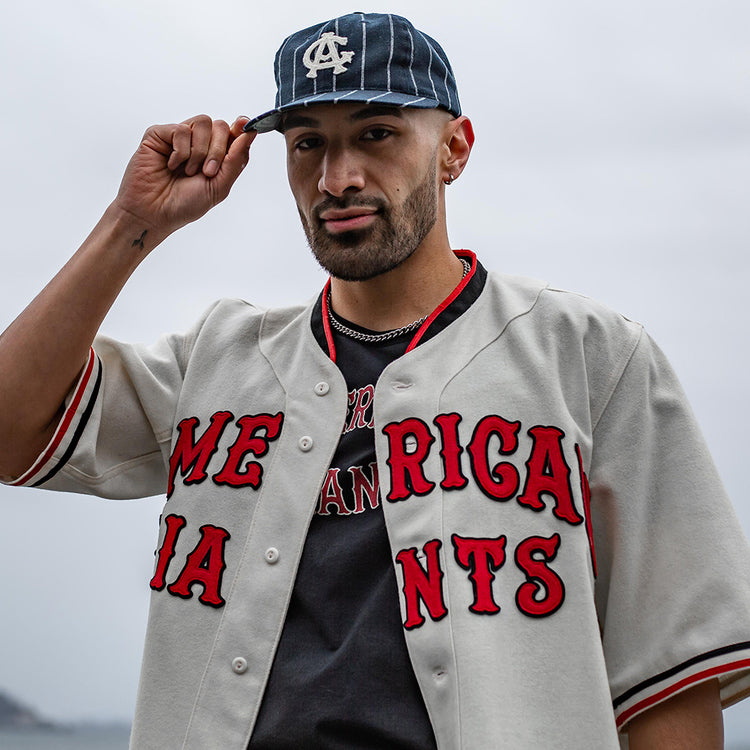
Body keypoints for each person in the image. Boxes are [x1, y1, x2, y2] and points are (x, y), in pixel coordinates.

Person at [0, 11, 749, 750]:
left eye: (376, 133)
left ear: (454, 148)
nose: (338, 177)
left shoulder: (591, 358)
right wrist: (133, 222)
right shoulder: (218, 360)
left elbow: (670, 675)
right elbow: (12, 430)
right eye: (308, 144)